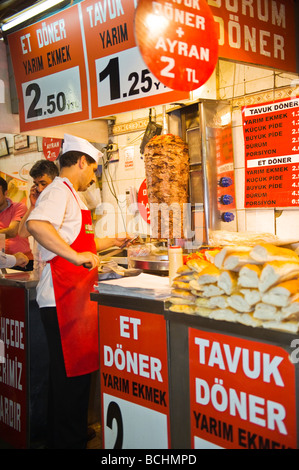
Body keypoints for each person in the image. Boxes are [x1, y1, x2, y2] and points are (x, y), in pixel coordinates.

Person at [26, 134, 128, 449]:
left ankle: (63, 439)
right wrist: (75, 257)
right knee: (71, 381)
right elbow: (37, 225)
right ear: (81, 162)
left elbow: (78, 244)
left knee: (68, 380)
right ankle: (69, 441)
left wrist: (112, 242)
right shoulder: (58, 190)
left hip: (75, 299)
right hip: (62, 299)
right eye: (93, 171)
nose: (93, 178)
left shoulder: (72, 194)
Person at [0, 176, 33, 270]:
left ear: (5, 193)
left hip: (23, 261)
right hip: (3, 261)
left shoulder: (18, 207)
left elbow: (12, 231)